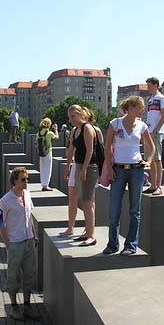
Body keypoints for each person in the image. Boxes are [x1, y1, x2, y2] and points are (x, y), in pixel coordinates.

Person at [102, 96, 154, 255]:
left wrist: (149, 161)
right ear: (131, 108)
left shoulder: (142, 126)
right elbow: (107, 146)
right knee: (114, 209)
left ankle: (131, 245)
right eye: (140, 107)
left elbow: (151, 147)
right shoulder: (115, 123)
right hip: (118, 169)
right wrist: (109, 167)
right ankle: (112, 244)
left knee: (134, 210)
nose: (142, 111)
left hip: (136, 170)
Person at [0, 167, 41, 320]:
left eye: (27, 179)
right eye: (23, 179)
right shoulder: (5, 200)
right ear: (14, 181)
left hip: (28, 240)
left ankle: (28, 306)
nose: (26, 182)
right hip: (15, 242)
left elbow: (30, 217)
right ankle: (14, 307)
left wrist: (34, 236)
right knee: (13, 275)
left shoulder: (28, 195)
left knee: (29, 274)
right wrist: (8, 243)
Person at [65, 105, 99, 246]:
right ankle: (87, 231)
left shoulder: (87, 128)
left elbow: (90, 151)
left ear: (80, 114)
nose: (71, 119)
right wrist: (68, 167)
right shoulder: (75, 130)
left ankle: (91, 235)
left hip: (90, 167)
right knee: (83, 201)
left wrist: (84, 169)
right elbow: (71, 150)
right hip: (79, 166)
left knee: (88, 201)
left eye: (73, 116)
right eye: (69, 117)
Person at [143, 77, 164, 196]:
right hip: (149, 132)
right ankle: (153, 185)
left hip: (156, 133)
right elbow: (149, 117)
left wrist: (156, 130)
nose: (148, 88)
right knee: (151, 159)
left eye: (149, 86)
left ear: (156, 85)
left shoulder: (161, 98)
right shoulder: (150, 100)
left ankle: (158, 186)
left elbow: (163, 116)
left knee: (157, 160)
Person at [37, 117, 59, 191]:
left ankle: (43, 184)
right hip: (48, 152)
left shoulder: (39, 133)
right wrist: (56, 129)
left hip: (41, 153)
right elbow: (57, 137)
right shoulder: (49, 133)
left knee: (42, 168)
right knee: (48, 169)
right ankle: (46, 186)